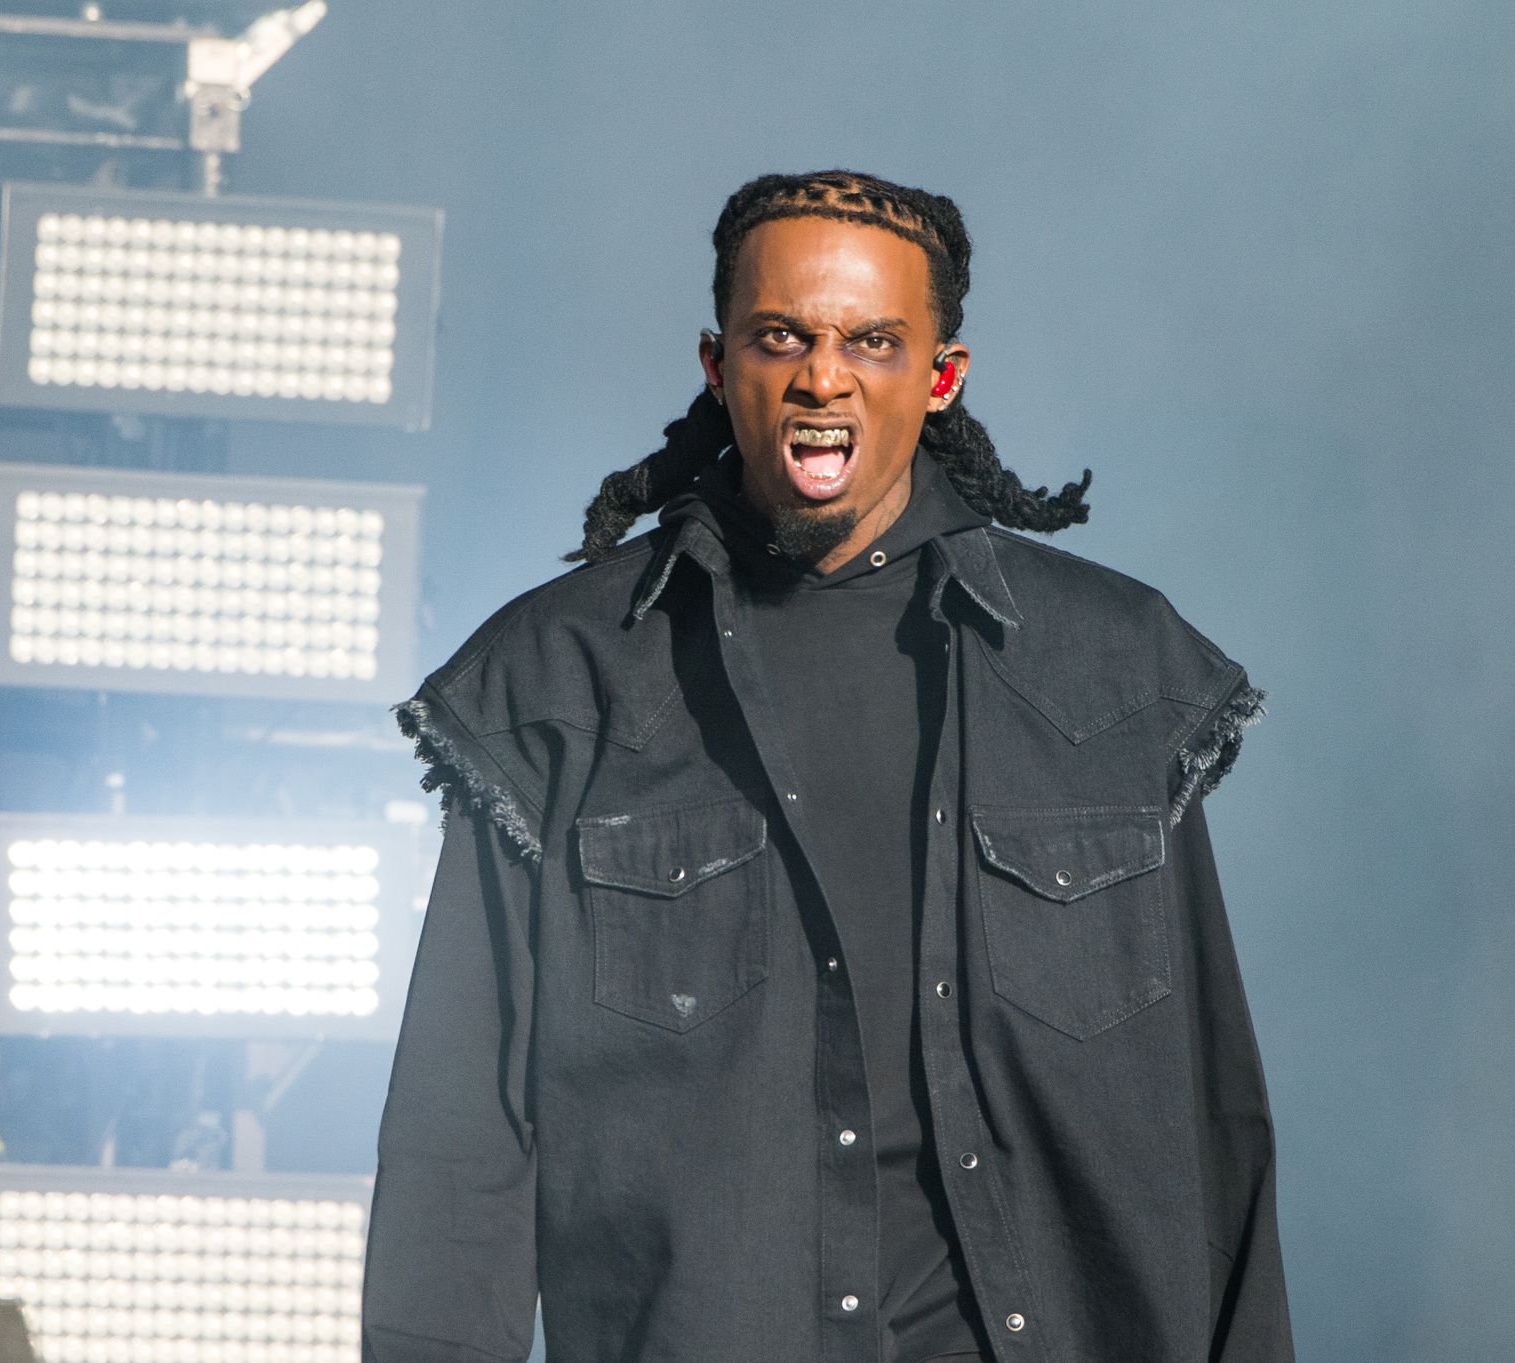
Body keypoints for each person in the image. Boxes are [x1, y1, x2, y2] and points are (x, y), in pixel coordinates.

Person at [362, 170, 1292, 1363]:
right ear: (716, 363)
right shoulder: (557, 686)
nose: (822, 374)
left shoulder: (1110, 673)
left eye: (871, 340)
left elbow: (1214, 1121)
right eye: (780, 337)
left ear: (940, 375)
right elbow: (462, 1153)